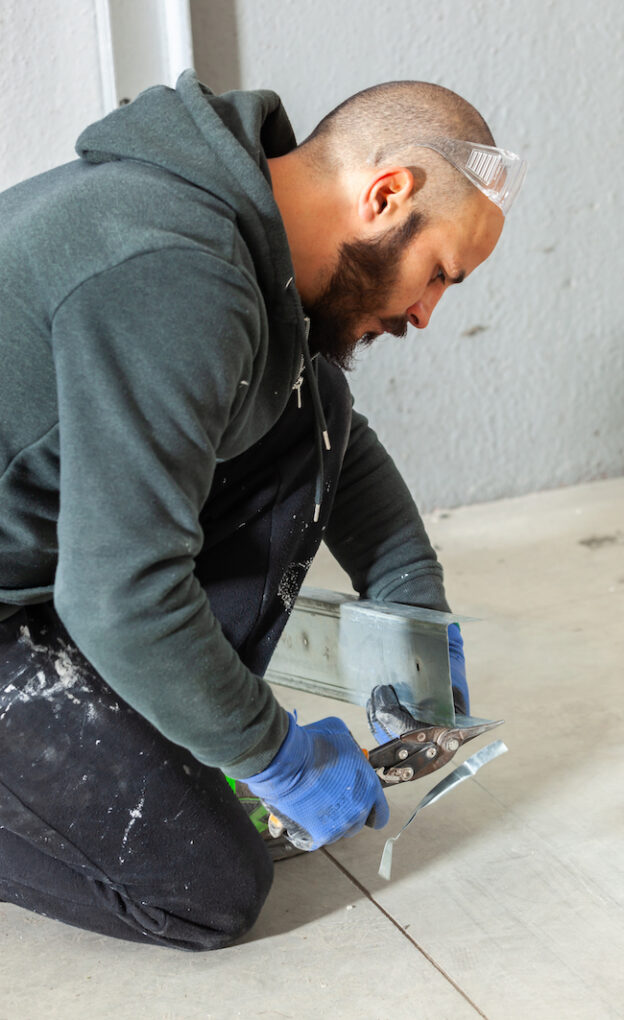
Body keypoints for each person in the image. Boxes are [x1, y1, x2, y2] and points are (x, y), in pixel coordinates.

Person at [0, 72, 523, 951]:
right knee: (208, 884)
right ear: (385, 193)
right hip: (49, 597)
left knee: (306, 415)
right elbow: (121, 594)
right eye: (439, 274)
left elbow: (327, 438)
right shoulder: (178, 271)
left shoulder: (243, 242)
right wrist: (269, 752)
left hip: (39, 566)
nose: (428, 313)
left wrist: (411, 609)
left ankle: (167, 727)